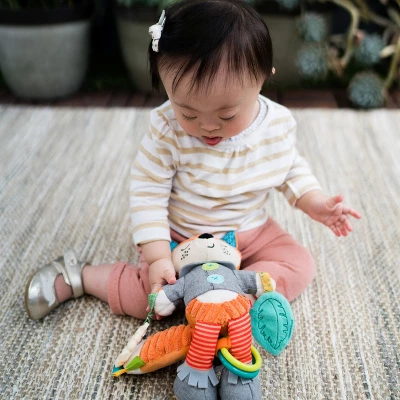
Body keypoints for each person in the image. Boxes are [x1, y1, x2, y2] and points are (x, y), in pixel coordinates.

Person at [25, 0, 361, 322]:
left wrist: (315, 202)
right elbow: (147, 192)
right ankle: (80, 276)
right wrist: (158, 256)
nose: (208, 126)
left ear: (264, 78)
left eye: (227, 115)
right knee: (149, 299)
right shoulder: (167, 129)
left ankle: (236, 297)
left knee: (300, 264)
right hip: (181, 239)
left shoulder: (277, 124)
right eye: (188, 112)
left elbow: (289, 168)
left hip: (251, 234)